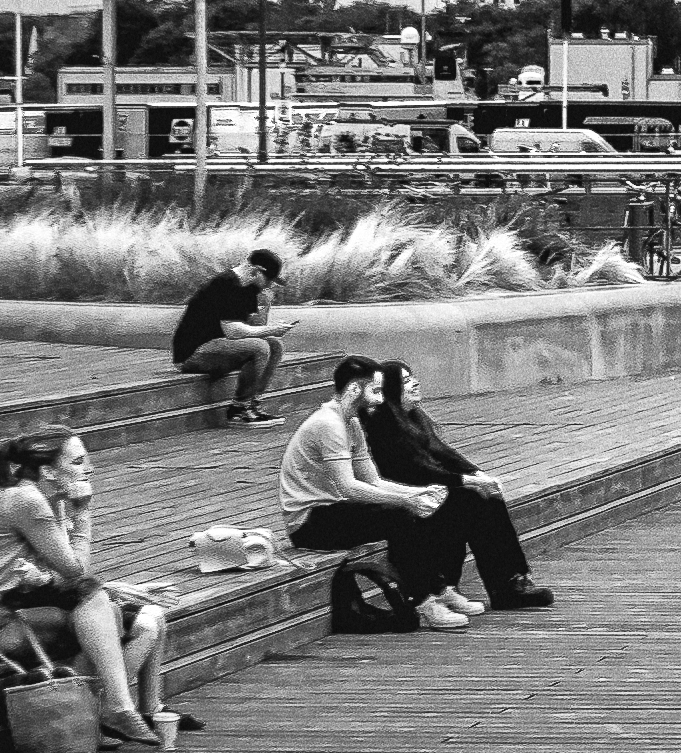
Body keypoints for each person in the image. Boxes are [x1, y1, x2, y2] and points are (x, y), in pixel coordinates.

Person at [0, 431, 180, 749]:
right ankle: (111, 708)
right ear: (48, 471)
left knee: (132, 614)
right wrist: (83, 513)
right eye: (79, 461)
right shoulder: (25, 500)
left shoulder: (45, 499)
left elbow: (63, 577)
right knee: (105, 606)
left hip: (10, 609)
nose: (89, 469)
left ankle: (120, 711)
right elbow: (75, 571)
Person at [277, 355, 473, 628]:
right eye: (376, 391)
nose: (382, 400)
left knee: (421, 510)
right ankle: (424, 603)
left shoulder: (351, 423)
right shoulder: (329, 425)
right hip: (309, 522)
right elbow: (349, 487)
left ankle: (439, 589)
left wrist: (419, 493)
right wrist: (406, 500)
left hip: (332, 510)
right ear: (355, 389)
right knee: (400, 517)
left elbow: (373, 480)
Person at [359, 358, 553, 612]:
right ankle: (485, 585)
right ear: (393, 390)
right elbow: (418, 469)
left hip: (431, 492)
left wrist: (478, 475)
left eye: (413, 377)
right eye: (406, 381)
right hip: (408, 498)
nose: (415, 383)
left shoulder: (414, 418)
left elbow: (443, 453)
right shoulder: (384, 425)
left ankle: (511, 582)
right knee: (471, 501)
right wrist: (467, 481)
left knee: (486, 497)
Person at [170, 245, 292, 423]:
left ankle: (253, 403)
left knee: (275, 345)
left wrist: (264, 307)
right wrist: (271, 329)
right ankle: (239, 408)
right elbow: (233, 331)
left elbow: (253, 328)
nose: (270, 285)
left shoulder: (250, 288)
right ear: (256, 271)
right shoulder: (226, 284)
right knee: (260, 347)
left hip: (220, 346)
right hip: (193, 352)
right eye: (269, 280)